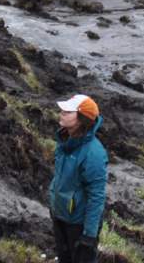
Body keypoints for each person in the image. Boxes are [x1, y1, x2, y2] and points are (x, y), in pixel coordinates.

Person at [48, 94, 107, 263]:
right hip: (60, 216)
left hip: (78, 224)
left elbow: (97, 196)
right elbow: (60, 178)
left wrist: (89, 236)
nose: (61, 113)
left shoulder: (94, 153)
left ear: (81, 119)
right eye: (62, 110)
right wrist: (53, 203)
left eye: (68, 111)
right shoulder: (65, 141)